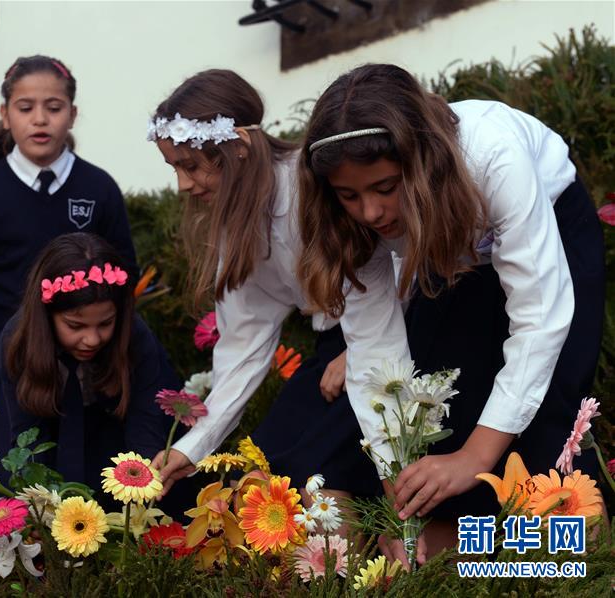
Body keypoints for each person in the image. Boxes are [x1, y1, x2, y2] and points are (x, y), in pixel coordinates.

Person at [296, 63, 605, 563]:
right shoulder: (357, 221)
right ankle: (474, 556)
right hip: (450, 250)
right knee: (451, 397)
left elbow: (540, 318)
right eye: (349, 195)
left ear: (421, 163)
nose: (370, 213)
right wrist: (399, 483)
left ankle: (584, 562)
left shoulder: (493, 154)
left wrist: (473, 458)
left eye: (384, 187)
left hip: (550, 237)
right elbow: (376, 351)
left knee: (548, 413)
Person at [147, 70, 379, 504]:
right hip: (335, 349)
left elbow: (395, 266)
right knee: (262, 471)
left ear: (236, 146)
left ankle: (354, 565)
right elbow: (244, 347)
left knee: (313, 477)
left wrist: (364, 350)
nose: (182, 184)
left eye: (191, 165)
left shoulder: (315, 186)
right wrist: (189, 448)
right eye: (174, 167)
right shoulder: (238, 231)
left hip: (397, 335)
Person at [0, 55, 137, 464]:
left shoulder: (99, 188)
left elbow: (124, 274)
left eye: (54, 107)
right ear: (5, 115)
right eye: (26, 108)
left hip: (80, 364)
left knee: (79, 476)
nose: (40, 119)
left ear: (73, 114)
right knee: (5, 477)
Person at [0, 233, 178, 507]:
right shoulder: (19, 342)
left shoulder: (135, 336)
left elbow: (145, 429)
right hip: (52, 435)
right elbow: (27, 438)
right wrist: (38, 507)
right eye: (75, 326)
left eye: (105, 323)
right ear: (47, 317)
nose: (92, 339)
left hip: (116, 436)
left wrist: (140, 504)